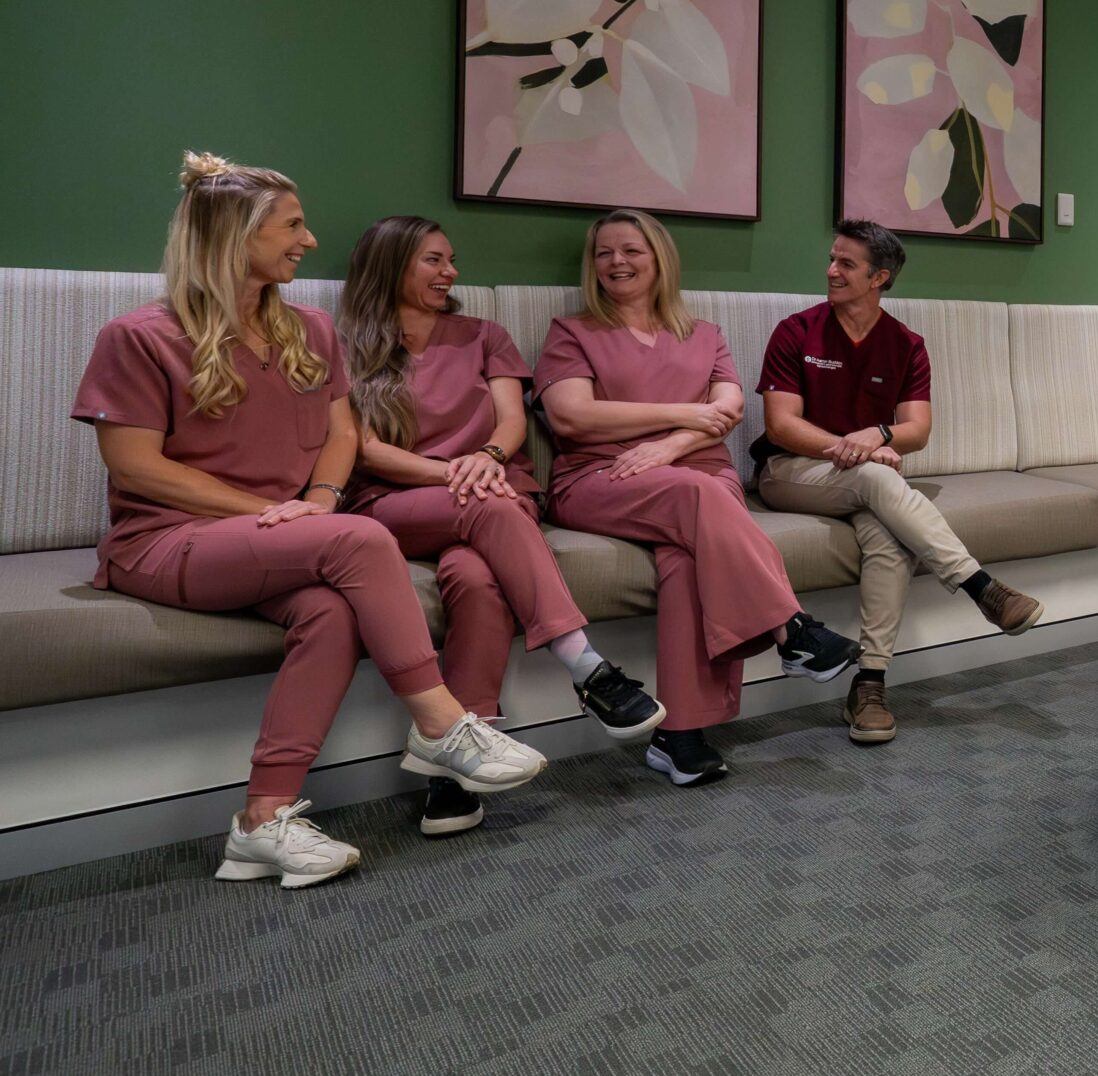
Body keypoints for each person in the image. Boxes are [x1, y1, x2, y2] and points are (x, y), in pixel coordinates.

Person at [74, 155, 546, 888]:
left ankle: (261, 822)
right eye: (292, 225)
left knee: (330, 612)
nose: (310, 240)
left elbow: (342, 434)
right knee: (363, 536)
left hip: (280, 537)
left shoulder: (311, 330)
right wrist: (278, 513)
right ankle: (441, 725)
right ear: (235, 235)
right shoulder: (139, 335)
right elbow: (136, 467)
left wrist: (320, 500)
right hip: (167, 541)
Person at [338, 215, 666, 837]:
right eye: (434, 261)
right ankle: (586, 667)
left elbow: (511, 422)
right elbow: (368, 451)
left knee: (477, 578)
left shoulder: (484, 334)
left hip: (493, 486)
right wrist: (454, 474)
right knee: (492, 506)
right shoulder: (345, 345)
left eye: (451, 260)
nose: (451, 273)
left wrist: (486, 458)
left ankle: (457, 769)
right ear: (391, 265)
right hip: (400, 501)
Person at [537, 208, 856, 786]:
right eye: (604, 253)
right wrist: (686, 414)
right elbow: (571, 414)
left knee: (687, 560)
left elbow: (729, 409)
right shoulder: (572, 332)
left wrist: (670, 445)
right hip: (602, 477)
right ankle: (791, 629)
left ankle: (678, 736)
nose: (615, 262)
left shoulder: (705, 333)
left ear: (659, 258)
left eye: (630, 250)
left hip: (694, 471)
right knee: (696, 492)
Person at [754, 220, 1042, 746]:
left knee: (888, 536)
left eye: (846, 263)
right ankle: (980, 587)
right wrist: (857, 450)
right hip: (791, 471)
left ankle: (870, 684)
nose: (831, 270)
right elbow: (781, 426)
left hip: (863, 481)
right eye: (832, 258)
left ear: (879, 278)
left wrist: (880, 434)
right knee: (876, 476)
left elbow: (916, 430)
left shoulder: (906, 344)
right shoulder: (797, 331)